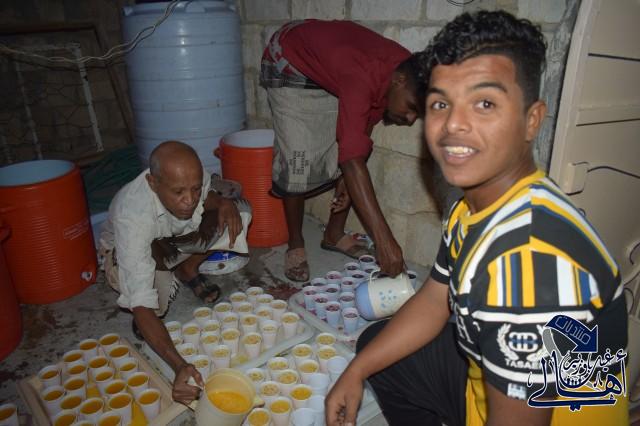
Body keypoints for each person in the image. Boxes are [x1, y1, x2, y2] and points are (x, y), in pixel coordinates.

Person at [326, 10, 628, 426]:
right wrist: (355, 371)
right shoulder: (471, 208)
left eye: (485, 103)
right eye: (440, 103)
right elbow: (434, 300)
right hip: (481, 392)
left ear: (531, 120)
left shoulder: (528, 266)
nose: (453, 124)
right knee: (377, 348)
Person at [260, 20, 428, 281]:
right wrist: (384, 240)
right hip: (289, 59)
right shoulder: (362, 74)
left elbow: (361, 132)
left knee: (350, 163)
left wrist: (349, 177)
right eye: (411, 108)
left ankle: (334, 234)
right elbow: (351, 157)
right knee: (297, 158)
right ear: (399, 81)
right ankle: (295, 243)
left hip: (328, 67)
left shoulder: (403, 71)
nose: (410, 119)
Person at [99, 141, 250, 404]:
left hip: (172, 235)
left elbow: (205, 196)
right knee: (151, 303)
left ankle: (188, 269)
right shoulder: (132, 217)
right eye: (178, 192)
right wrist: (179, 365)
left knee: (240, 211)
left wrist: (222, 202)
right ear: (153, 183)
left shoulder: (191, 177)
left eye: (194, 188)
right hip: (136, 250)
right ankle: (149, 319)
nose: (189, 200)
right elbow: (141, 302)